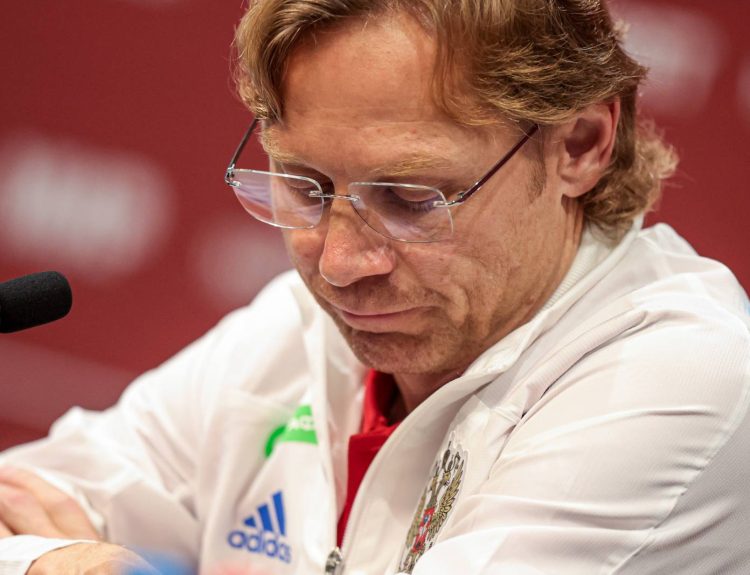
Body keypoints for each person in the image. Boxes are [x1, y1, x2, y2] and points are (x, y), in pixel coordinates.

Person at [1, 0, 749, 573]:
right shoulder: (297, 328)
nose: (338, 264)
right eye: (304, 184)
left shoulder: (685, 373)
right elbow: (21, 496)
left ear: (580, 144)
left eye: (410, 198)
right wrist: (53, 561)